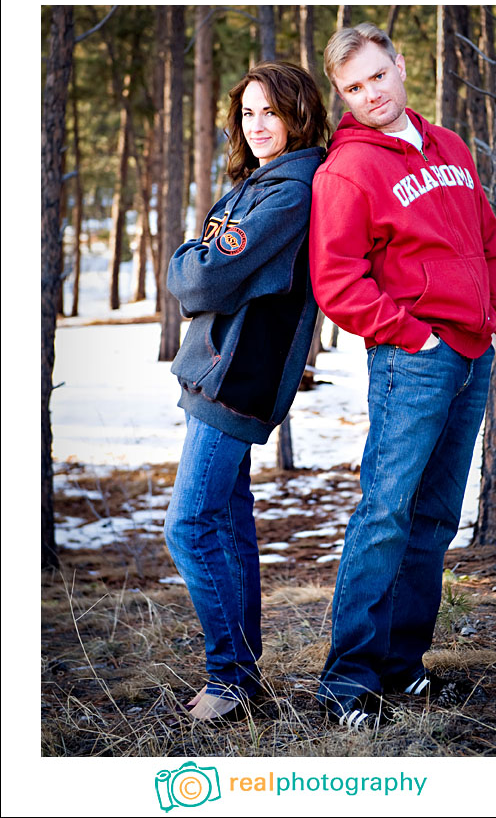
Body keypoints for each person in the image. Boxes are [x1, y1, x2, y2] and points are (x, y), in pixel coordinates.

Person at [309, 23, 496, 730]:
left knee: (433, 518)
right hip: (413, 360)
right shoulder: (348, 168)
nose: (370, 95)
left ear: (399, 65)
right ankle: (347, 682)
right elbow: (337, 281)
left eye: (376, 76)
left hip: (472, 351)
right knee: (386, 513)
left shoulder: (450, 146)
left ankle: (402, 663)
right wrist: (414, 335)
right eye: (352, 88)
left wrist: (494, 316)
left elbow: (484, 238)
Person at [164, 62, 329, 722]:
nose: (256, 125)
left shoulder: (290, 193)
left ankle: (229, 677)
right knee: (227, 523)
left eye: (271, 112)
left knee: (190, 526)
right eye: (248, 113)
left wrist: (188, 260)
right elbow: (212, 272)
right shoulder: (257, 184)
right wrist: (198, 264)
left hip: (237, 378)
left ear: (299, 115)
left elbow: (199, 280)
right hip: (211, 369)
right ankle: (241, 677)